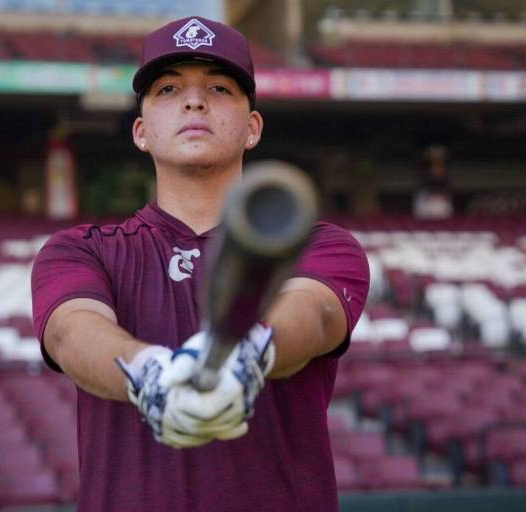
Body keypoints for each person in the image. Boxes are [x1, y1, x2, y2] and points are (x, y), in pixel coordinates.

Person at [31, 15, 369, 512]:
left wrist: (250, 357)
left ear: (252, 128)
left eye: (218, 87)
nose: (194, 100)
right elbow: (71, 332)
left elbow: (313, 314)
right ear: (141, 132)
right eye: (168, 89)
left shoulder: (317, 243)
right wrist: (148, 375)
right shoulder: (79, 250)